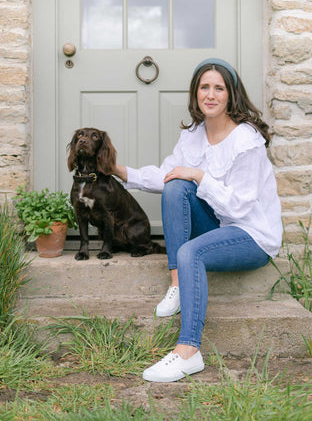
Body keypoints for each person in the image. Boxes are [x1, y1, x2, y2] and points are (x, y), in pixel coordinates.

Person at [113, 58, 283, 383]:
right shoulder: (193, 134)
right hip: (220, 224)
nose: (210, 94)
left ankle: (188, 352)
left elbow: (239, 207)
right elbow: (168, 175)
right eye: (204, 87)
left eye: (219, 88)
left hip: (251, 234)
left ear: (231, 95)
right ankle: (178, 283)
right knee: (175, 186)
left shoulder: (246, 142)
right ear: (196, 93)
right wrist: (121, 172)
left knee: (192, 252)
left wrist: (200, 175)